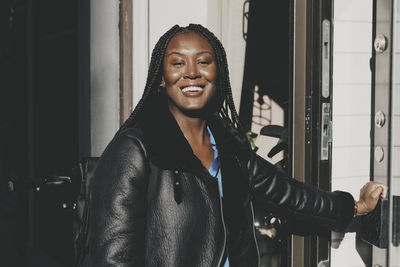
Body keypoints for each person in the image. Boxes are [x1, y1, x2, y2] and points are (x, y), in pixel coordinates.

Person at [85, 24, 388, 267]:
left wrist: (354, 207)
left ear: (219, 74)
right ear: (162, 78)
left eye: (204, 62)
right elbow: (113, 258)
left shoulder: (227, 147)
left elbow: (287, 194)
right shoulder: (136, 150)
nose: (191, 72)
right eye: (177, 63)